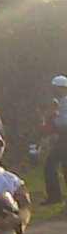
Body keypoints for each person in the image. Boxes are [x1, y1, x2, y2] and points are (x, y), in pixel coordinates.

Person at [42, 76, 67, 205]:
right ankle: (55, 196)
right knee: (57, 165)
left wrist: (52, 118)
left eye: (55, 88)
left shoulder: (65, 102)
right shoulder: (61, 102)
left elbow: (64, 122)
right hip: (63, 137)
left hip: (65, 137)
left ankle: (55, 196)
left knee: (51, 165)